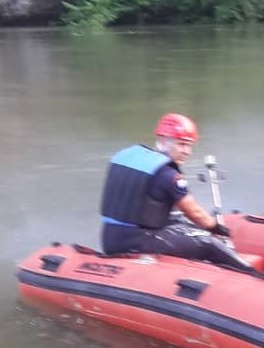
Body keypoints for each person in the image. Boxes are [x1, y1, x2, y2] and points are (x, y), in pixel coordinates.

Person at [99, 113, 253, 271]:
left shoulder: (133, 160)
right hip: (139, 241)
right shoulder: (168, 175)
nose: (188, 151)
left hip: (110, 239)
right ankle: (255, 276)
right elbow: (194, 213)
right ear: (163, 141)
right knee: (209, 242)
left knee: (192, 231)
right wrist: (215, 227)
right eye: (182, 144)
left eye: (189, 145)